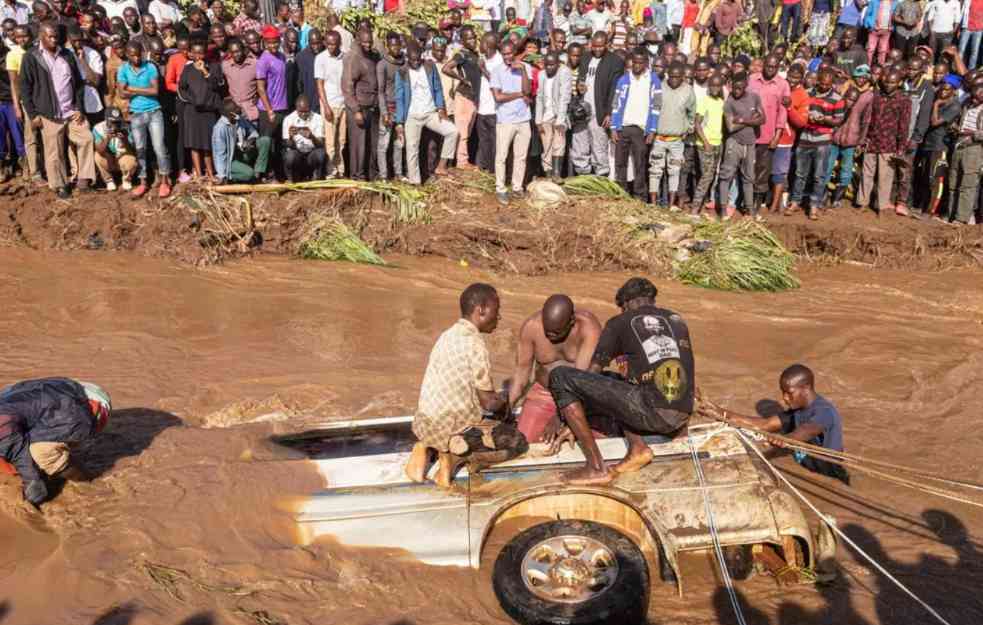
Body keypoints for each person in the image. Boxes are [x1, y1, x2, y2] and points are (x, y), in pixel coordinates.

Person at [546, 277, 693, 485]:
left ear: (625, 304)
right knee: (620, 379)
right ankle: (638, 448)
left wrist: (569, 418)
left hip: (654, 412)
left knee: (560, 376)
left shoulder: (620, 322)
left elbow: (592, 375)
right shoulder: (677, 320)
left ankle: (595, 467)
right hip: (682, 413)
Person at [407, 283, 527, 488]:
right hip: (453, 427)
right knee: (517, 442)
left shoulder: (447, 335)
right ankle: (456, 458)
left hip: (425, 422)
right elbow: (488, 403)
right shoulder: (475, 344)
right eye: (496, 312)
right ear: (481, 310)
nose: (498, 318)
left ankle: (425, 446)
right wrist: (505, 403)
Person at [716, 365, 849, 484]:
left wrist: (785, 439)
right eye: (783, 392)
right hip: (805, 463)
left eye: (789, 393)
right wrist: (716, 411)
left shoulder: (825, 412)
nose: (784, 398)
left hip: (828, 473)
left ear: (806, 388)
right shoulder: (797, 410)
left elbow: (808, 430)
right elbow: (764, 424)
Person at [0, 378, 112, 508]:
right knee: (16, 452)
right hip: (77, 390)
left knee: (41, 454)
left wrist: (32, 484)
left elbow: (20, 458)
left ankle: (89, 481)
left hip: (92, 407)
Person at [509, 294, 603, 444]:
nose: (551, 336)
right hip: (544, 395)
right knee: (523, 443)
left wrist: (560, 418)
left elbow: (581, 382)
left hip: (581, 399)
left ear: (572, 321)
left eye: (557, 332)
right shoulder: (532, 327)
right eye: (547, 332)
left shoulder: (588, 327)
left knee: (601, 442)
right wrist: (508, 407)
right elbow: (521, 373)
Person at [20, 21, 96, 198]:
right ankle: (60, 185)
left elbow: (77, 84)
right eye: (50, 37)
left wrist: (79, 107)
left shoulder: (67, 54)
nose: (54, 40)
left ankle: (84, 180)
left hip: (70, 111)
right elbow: (24, 88)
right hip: (48, 113)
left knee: (86, 138)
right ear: (41, 37)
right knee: (54, 152)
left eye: (56, 36)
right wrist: (33, 114)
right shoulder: (31, 57)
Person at [394, 45, 457, 186]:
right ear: (407, 58)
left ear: (421, 56)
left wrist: (440, 108)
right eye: (412, 60)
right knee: (411, 149)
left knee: (452, 131)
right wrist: (399, 122)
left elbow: (437, 88)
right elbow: (399, 98)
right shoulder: (402, 72)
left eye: (418, 60)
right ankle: (415, 182)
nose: (415, 63)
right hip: (412, 115)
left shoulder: (429, 67)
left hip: (430, 113)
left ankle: (441, 166)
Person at [786, 68, 845, 219]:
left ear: (831, 83)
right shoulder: (808, 93)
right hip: (805, 138)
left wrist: (824, 119)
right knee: (800, 173)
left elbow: (838, 120)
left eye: (828, 84)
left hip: (823, 141)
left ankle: (814, 205)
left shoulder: (837, 99)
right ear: (817, 80)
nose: (824, 86)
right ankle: (795, 201)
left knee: (819, 175)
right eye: (822, 83)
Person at [118, 39, 172, 197]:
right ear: (127, 55)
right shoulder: (123, 70)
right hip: (136, 114)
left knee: (159, 148)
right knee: (140, 149)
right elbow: (122, 93)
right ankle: (143, 182)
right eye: (133, 56)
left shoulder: (150, 67)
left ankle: (164, 181)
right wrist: (143, 89)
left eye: (139, 55)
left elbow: (155, 91)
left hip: (154, 112)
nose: (136, 58)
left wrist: (132, 88)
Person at [858, 69, 913, 216]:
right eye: (887, 82)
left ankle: (881, 206)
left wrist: (901, 148)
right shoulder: (877, 96)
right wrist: (864, 138)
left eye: (893, 82)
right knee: (866, 173)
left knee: (885, 177)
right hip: (872, 140)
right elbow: (869, 118)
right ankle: (862, 202)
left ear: (899, 83)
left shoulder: (904, 100)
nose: (889, 85)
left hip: (889, 143)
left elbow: (904, 125)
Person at [572, 31, 624, 177]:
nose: (597, 49)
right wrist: (579, 85)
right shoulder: (586, 57)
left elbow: (615, 89)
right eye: (595, 46)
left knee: (598, 146)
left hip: (600, 110)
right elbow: (581, 78)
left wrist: (610, 112)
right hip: (582, 110)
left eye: (601, 46)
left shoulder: (615, 61)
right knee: (580, 144)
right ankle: (583, 177)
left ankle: (600, 178)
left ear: (607, 44)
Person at [490, 41, 532, 205]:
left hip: (523, 118)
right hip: (505, 120)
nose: (507, 57)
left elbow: (528, 91)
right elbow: (498, 97)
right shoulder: (497, 71)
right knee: (501, 156)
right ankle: (500, 188)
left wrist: (522, 71)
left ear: (515, 52)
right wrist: (518, 94)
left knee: (520, 157)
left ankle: (517, 187)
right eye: (504, 54)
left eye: (509, 53)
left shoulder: (525, 68)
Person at [718, 72, 764, 220]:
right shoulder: (729, 102)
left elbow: (763, 119)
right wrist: (751, 119)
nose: (736, 91)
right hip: (734, 143)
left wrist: (743, 119)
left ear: (745, 85)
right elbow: (730, 127)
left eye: (739, 88)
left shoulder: (754, 97)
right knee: (726, 176)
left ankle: (750, 211)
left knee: (749, 178)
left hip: (750, 144)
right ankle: (724, 211)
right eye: (734, 88)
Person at [649, 61, 694, 209]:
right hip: (659, 138)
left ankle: (670, 205)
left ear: (682, 77)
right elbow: (653, 109)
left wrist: (687, 128)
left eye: (678, 77)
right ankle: (654, 204)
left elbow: (691, 113)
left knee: (675, 171)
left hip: (677, 140)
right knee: (655, 170)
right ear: (667, 75)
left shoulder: (688, 90)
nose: (674, 79)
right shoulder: (660, 87)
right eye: (672, 76)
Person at [749, 55, 790, 215]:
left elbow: (782, 113)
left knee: (762, 171)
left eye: (774, 67)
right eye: (768, 66)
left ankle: (756, 206)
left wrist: (777, 135)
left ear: (778, 67)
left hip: (768, 136)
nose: (770, 69)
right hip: (749, 134)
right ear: (764, 64)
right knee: (748, 169)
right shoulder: (752, 79)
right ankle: (745, 201)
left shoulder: (782, 84)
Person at [828, 68, 874, 207]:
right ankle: (823, 194)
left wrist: (861, 141)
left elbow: (866, 120)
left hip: (852, 138)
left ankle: (838, 198)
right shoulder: (843, 89)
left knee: (846, 169)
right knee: (828, 166)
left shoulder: (868, 96)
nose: (861, 80)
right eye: (858, 77)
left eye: (864, 77)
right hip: (836, 135)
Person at [178, 40, 223, 180]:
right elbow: (181, 88)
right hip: (192, 111)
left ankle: (210, 172)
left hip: (208, 112)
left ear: (205, 53)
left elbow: (216, 86)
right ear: (191, 54)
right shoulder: (187, 69)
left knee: (207, 144)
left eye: (201, 53)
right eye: (195, 53)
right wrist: (192, 101)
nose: (198, 56)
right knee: (194, 144)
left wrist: (204, 70)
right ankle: (199, 174)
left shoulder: (214, 67)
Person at [342, 28, 381, 181]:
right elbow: (347, 87)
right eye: (365, 42)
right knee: (358, 145)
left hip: (372, 106)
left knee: (372, 143)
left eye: (370, 42)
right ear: (358, 41)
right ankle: (357, 175)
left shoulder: (373, 56)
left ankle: (371, 174)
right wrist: (356, 110)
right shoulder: (353, 58)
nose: (368, 45)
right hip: (359, 107)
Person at [442, 26, 482, 169]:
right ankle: (461, 162)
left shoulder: (475, 54)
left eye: (473, 37)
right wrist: (462, 79)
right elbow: (446, 68)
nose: (472, 40)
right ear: (462, 40)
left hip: (473, 97)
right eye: (469, 38)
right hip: (464, 96)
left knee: (468, 131)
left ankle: (462, 160)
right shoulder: (462, 55)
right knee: (462, 131)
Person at [947, 83, 983, 225]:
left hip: (974, 148)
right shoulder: (966, 105)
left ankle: (961, 218)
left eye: (977, 98)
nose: (973, 100)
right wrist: (955, 127)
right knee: (953, 181)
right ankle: (951, 214)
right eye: (972, 97)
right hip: (959, 144)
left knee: (967, 185)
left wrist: (973, 134)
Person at [212, 98, 270, 184]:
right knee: (249, 174)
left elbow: (254, 132)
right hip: (230, 160)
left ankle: (258, 173)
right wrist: (221, 175)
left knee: (265, 141)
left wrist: (250, 141)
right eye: (236, 107)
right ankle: (229, 178)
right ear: (231, 114)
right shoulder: (220, 128)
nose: (239, 108)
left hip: (242, 153)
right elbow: (219, 155)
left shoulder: (239, 119)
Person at [535, 50, 573, 180]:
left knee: (559, 143)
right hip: (546, 115)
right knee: (546, 145)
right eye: (547, 65)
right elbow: (539, 97)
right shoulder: (541, 75)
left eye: (552, 65)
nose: (549, 67)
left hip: (558, 114)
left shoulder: (564, 72)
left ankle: (557, 173)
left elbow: (565, 97)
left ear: (558, 64)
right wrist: (538, 120)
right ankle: (548, 172)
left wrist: (560, 119)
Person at [691, 73, 725, 215]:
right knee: (707, 177)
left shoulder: (722, 102)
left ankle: (702, 204)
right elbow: (697, 124)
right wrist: (705, 142)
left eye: (718, 85)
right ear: (709, 86)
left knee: (711, 176)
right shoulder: (704, 101)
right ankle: (694, 209)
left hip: (718, 143)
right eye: (713, 85)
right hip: (706, 144)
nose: (715, 88)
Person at [315, 29, 346, 179]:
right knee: (330, 142)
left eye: (334, 44)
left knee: (341, 140)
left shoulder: (344, 57)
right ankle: (330, 171)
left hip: (343, 103)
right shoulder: (321, 59)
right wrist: (325, 106)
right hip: (330, 103)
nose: (331, 47)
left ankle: (340, 169)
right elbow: (320, 84)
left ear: (339, 43)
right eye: (329, 44)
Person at [377, 32, 406, 181]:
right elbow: (380, 91)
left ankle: (399, 173)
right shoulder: (382, 65)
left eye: (397, 45)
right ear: (387, 46)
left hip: (401, 109)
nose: (395, 48)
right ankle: (383, 175)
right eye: (392, 45)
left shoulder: (404, 62)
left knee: (399, 143)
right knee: (384, 144)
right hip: (388, 108)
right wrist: (384, 112)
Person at [256, 26, 289, 152]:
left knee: (280, 143)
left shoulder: (281, 56)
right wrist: (269, 110)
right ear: (265, 43)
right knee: (268, 144)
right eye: (270, 43)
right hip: (268, 109)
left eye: (275, 42)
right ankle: (266, 171)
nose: (273, 45)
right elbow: (260, 88)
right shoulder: (263, 60)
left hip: (282, 106)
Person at [281, 93, 325, 181]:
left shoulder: (318, 118)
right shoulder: (288, 119)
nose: (304, 114)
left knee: (320, 153)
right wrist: (290, 137)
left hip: (311, 154)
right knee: (290, 156)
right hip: (297, 154)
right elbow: (288, 145)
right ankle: (293, 177)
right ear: (296, 109)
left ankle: (316, 175)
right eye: (301, 111)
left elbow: (321, 144)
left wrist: (312, 137)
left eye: (306, 111)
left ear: (310, 107)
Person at [92, 106, 137, 190]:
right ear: (106, 119)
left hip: (121, 156)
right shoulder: (98, 128)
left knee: (131, 160)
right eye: (112, 121)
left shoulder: (126, 127)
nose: (115, 124)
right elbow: (99, 150)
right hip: (108, 157)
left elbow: (132, 150)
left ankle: (127, 179)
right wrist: (107, 138)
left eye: (117, 121)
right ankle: (109, 180)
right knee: (97, 156)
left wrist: (124, 139)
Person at [296, 28, 323, 113]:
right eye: (313, 44)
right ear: (309, 42)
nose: (316, 47)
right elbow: (299, 83)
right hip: (309, 102)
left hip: (324, 101)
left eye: (318, 43)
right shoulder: (301, 57)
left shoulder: (326, 54)